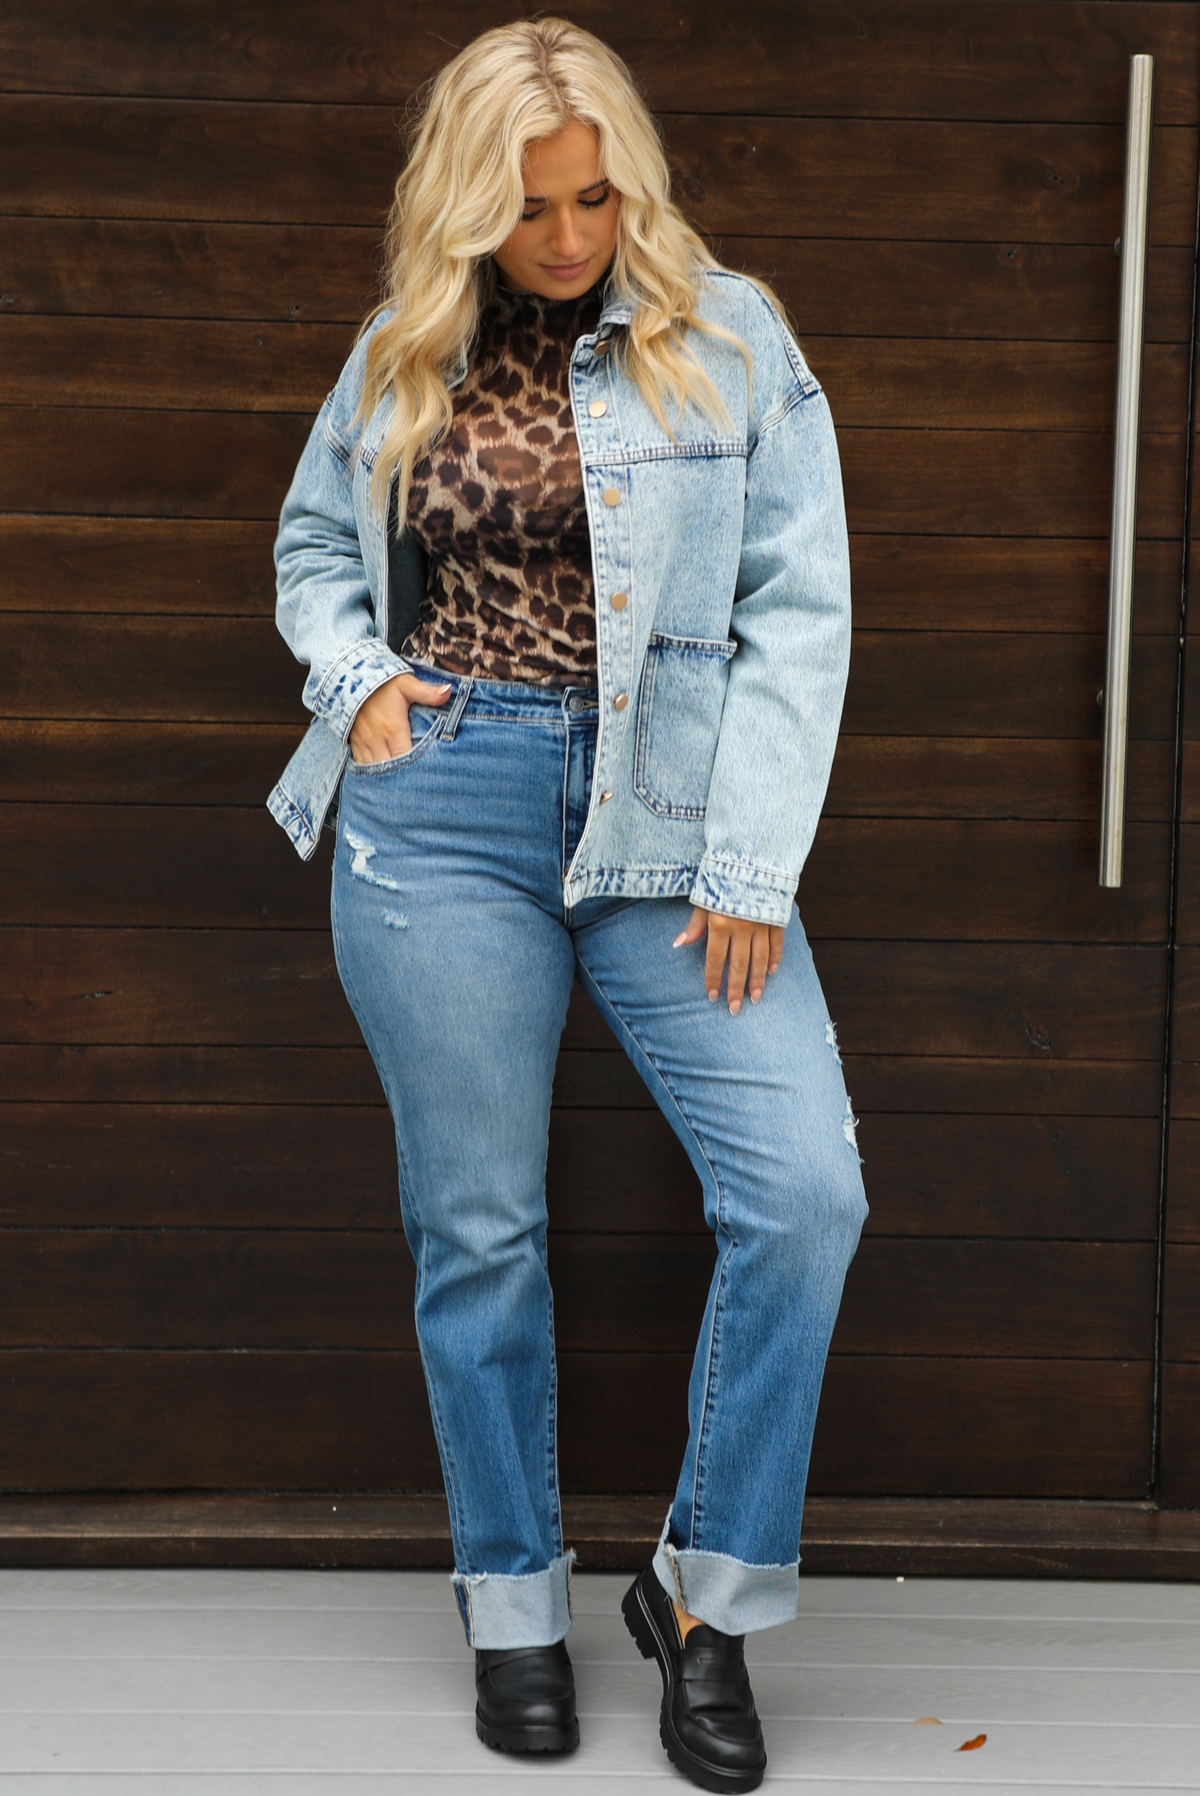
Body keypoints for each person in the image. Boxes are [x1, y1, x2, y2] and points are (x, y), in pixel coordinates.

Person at [268, 17, 867, 1791]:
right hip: (439, 808)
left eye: (598, 196)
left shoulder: (733, 335)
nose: (570, 235)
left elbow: (799, 608)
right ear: (474, 198)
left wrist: (751, 860)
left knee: (806, 1192)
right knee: (480, 1231)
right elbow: (314, 549)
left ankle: (702, 1602)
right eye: (532, 206)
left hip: (672, 826)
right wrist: (361, 678)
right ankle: (512, 1597)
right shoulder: (408, 343)